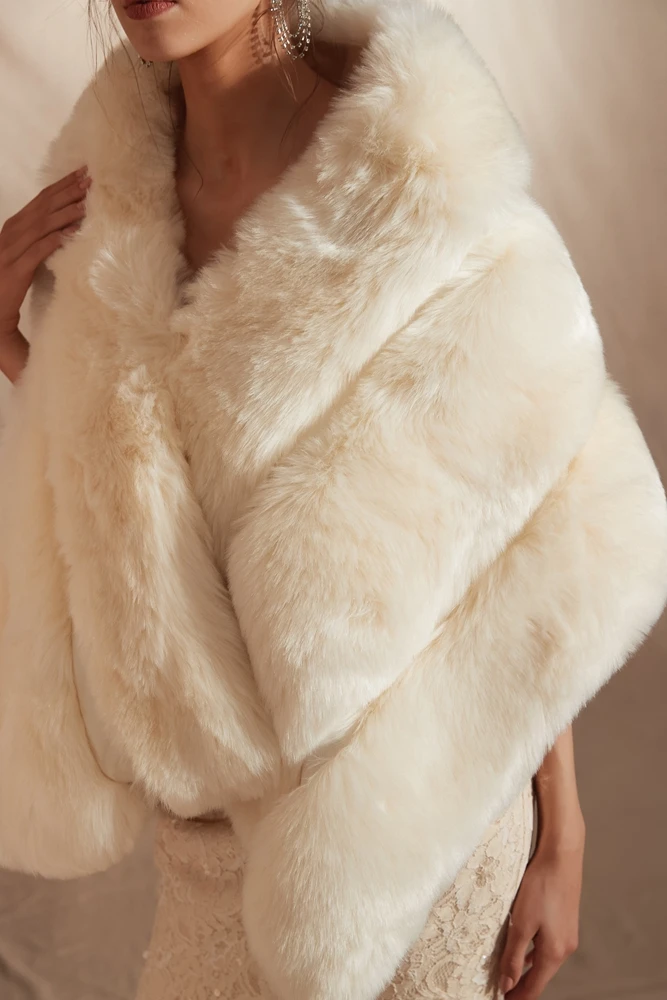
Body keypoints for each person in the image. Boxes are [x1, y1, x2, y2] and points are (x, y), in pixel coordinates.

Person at [0, 2, 664, 999]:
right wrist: (26, 355)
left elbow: (532, 529)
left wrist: (560, 832)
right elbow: (147, 507)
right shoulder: (101, 215)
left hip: (411, 843)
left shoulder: (416, 180)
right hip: (208, 850)